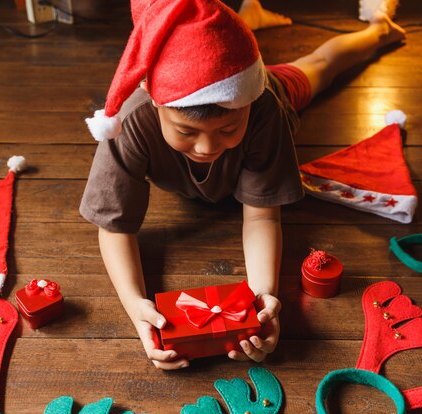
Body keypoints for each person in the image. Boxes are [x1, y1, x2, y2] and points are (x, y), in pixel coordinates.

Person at [80, 0, 405, 370]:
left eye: (229, 129)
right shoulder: (129, 122)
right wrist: (135, 305)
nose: (207, 147)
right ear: (155, 105)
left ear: (249, 105)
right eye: (187, 131)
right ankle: (248, 18)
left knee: (320, 66)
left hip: (269, 85)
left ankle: (378, 30)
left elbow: (263, 217)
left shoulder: (265, 106)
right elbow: (114, 227)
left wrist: (263, 296)